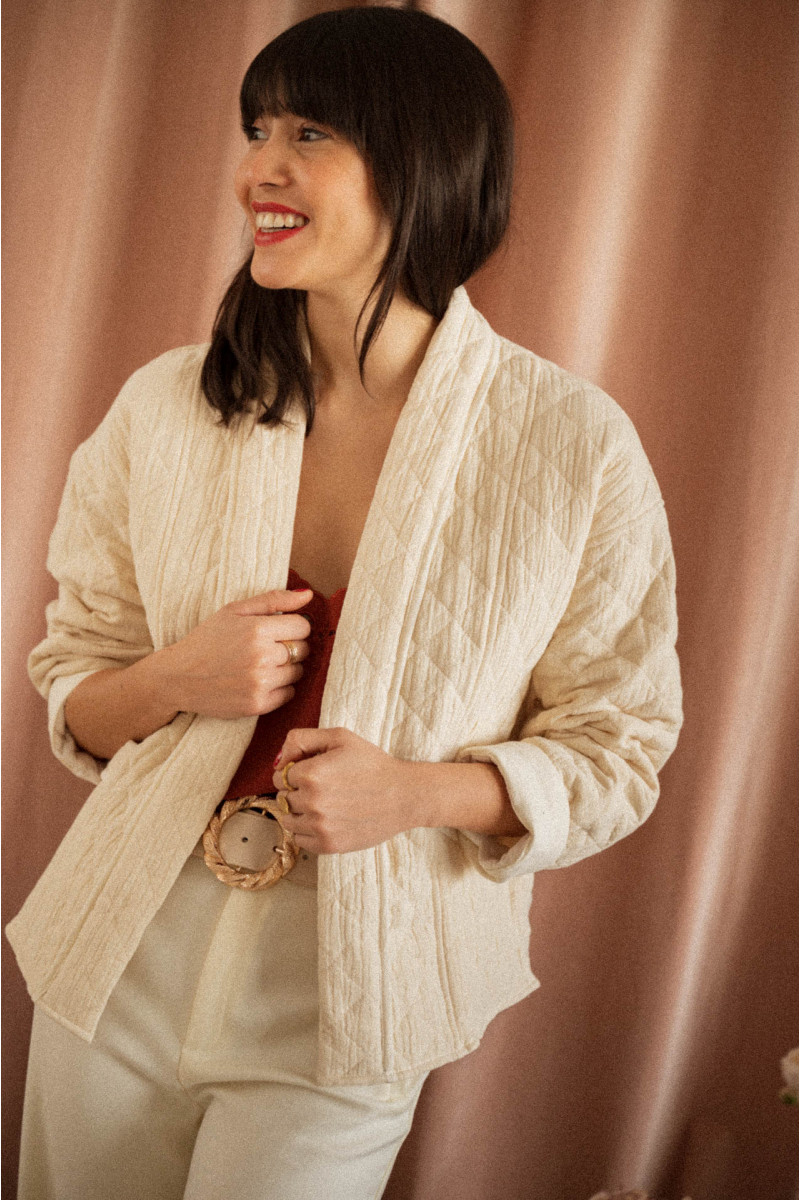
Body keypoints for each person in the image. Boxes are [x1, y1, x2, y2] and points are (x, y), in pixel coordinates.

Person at [8, 7, 683, 1199]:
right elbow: (77, 681)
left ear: (424, 163)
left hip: (353, 995)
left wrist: (414, 794)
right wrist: (173, 679)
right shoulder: (166, 406)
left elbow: (618, 748)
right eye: (256, 129)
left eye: (308, 132)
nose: (258, 169)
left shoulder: (570, 445)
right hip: (118, 952)